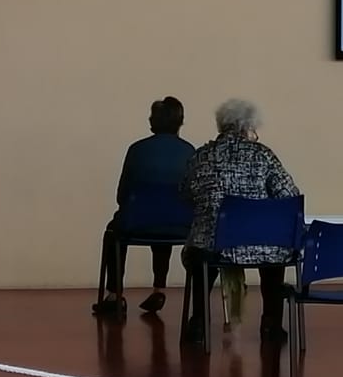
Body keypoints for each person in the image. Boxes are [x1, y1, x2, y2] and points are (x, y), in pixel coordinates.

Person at [182, 98, 301, 343]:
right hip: (260, 242)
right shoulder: (263, 155)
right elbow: (289, 195)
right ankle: (271, 325)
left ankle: (199, 322)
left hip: (213, 243)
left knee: (200, 255)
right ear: (248, 127)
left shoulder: (201, 155)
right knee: (274, 256)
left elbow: (185, 193)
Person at [93, 96, 194, 318]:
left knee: (114, 231)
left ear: (153, 121)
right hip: (180, 225)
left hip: (137, 222)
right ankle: (159, 288)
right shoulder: (190, 152)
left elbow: (122, 195)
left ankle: (114, 295)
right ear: (180, 122)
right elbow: (193, 195)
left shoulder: (137, 150)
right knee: (166, 220)